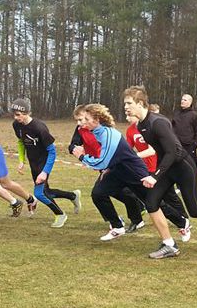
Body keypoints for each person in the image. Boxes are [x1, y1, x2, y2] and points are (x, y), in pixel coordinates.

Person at [123, 86, 197, 259]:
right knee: (151, 203)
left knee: (195, 210)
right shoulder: (141, 125)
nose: (126, 107)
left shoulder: (157, 123)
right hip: (167, 168)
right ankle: (169, 244)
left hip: (183, 167)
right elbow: (160, 151)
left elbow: (174, 152)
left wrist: (155, 176)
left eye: (129, 103)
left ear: (140, 103)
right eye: (125, 104)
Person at [72, 104, 189, 248]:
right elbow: (109, 158)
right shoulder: (97, 131)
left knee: (152, 203)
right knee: (98, 194)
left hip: (134, 172)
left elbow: (101, 162)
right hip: (117, 171)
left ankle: (182, 222)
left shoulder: (109, 134)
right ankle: (117, 227)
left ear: (96, 119)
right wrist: (107, 167)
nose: (81, 123)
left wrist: (82, 157)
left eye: (84, 119)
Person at [10, 98, 81, 228]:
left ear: (27, 113)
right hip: (33, 162)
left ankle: (60, 214)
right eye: (14, 114)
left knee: (39, 193)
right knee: (46, 191)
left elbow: (52, 151)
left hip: (44, 161)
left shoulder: (39, 127)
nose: (16, 117)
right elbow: (21, 142)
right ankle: (72, 195)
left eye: (18, 115)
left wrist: (44, 172)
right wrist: (21, 160)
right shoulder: (16, 125)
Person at [125, 106, 192, 238]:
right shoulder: (130, 130)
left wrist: (136, 157)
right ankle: (138, 219)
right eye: (126, 115)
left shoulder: (150, 127)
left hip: (158, 166)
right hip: (142, 169)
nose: (127, 118)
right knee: (147, 197)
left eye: (129, 115)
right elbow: (128, 149)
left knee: (170, 196)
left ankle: (183, 218)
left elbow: (153, 150)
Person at [171, 93, 197, 165]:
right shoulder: (177, 113)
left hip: (189, 146)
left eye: (185, 100)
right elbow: (172, 127)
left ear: (190, 102)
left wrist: (195, 144)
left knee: (190, 165)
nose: (182, 101)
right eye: (182, 99)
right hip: (177, 145)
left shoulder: (194, 115)